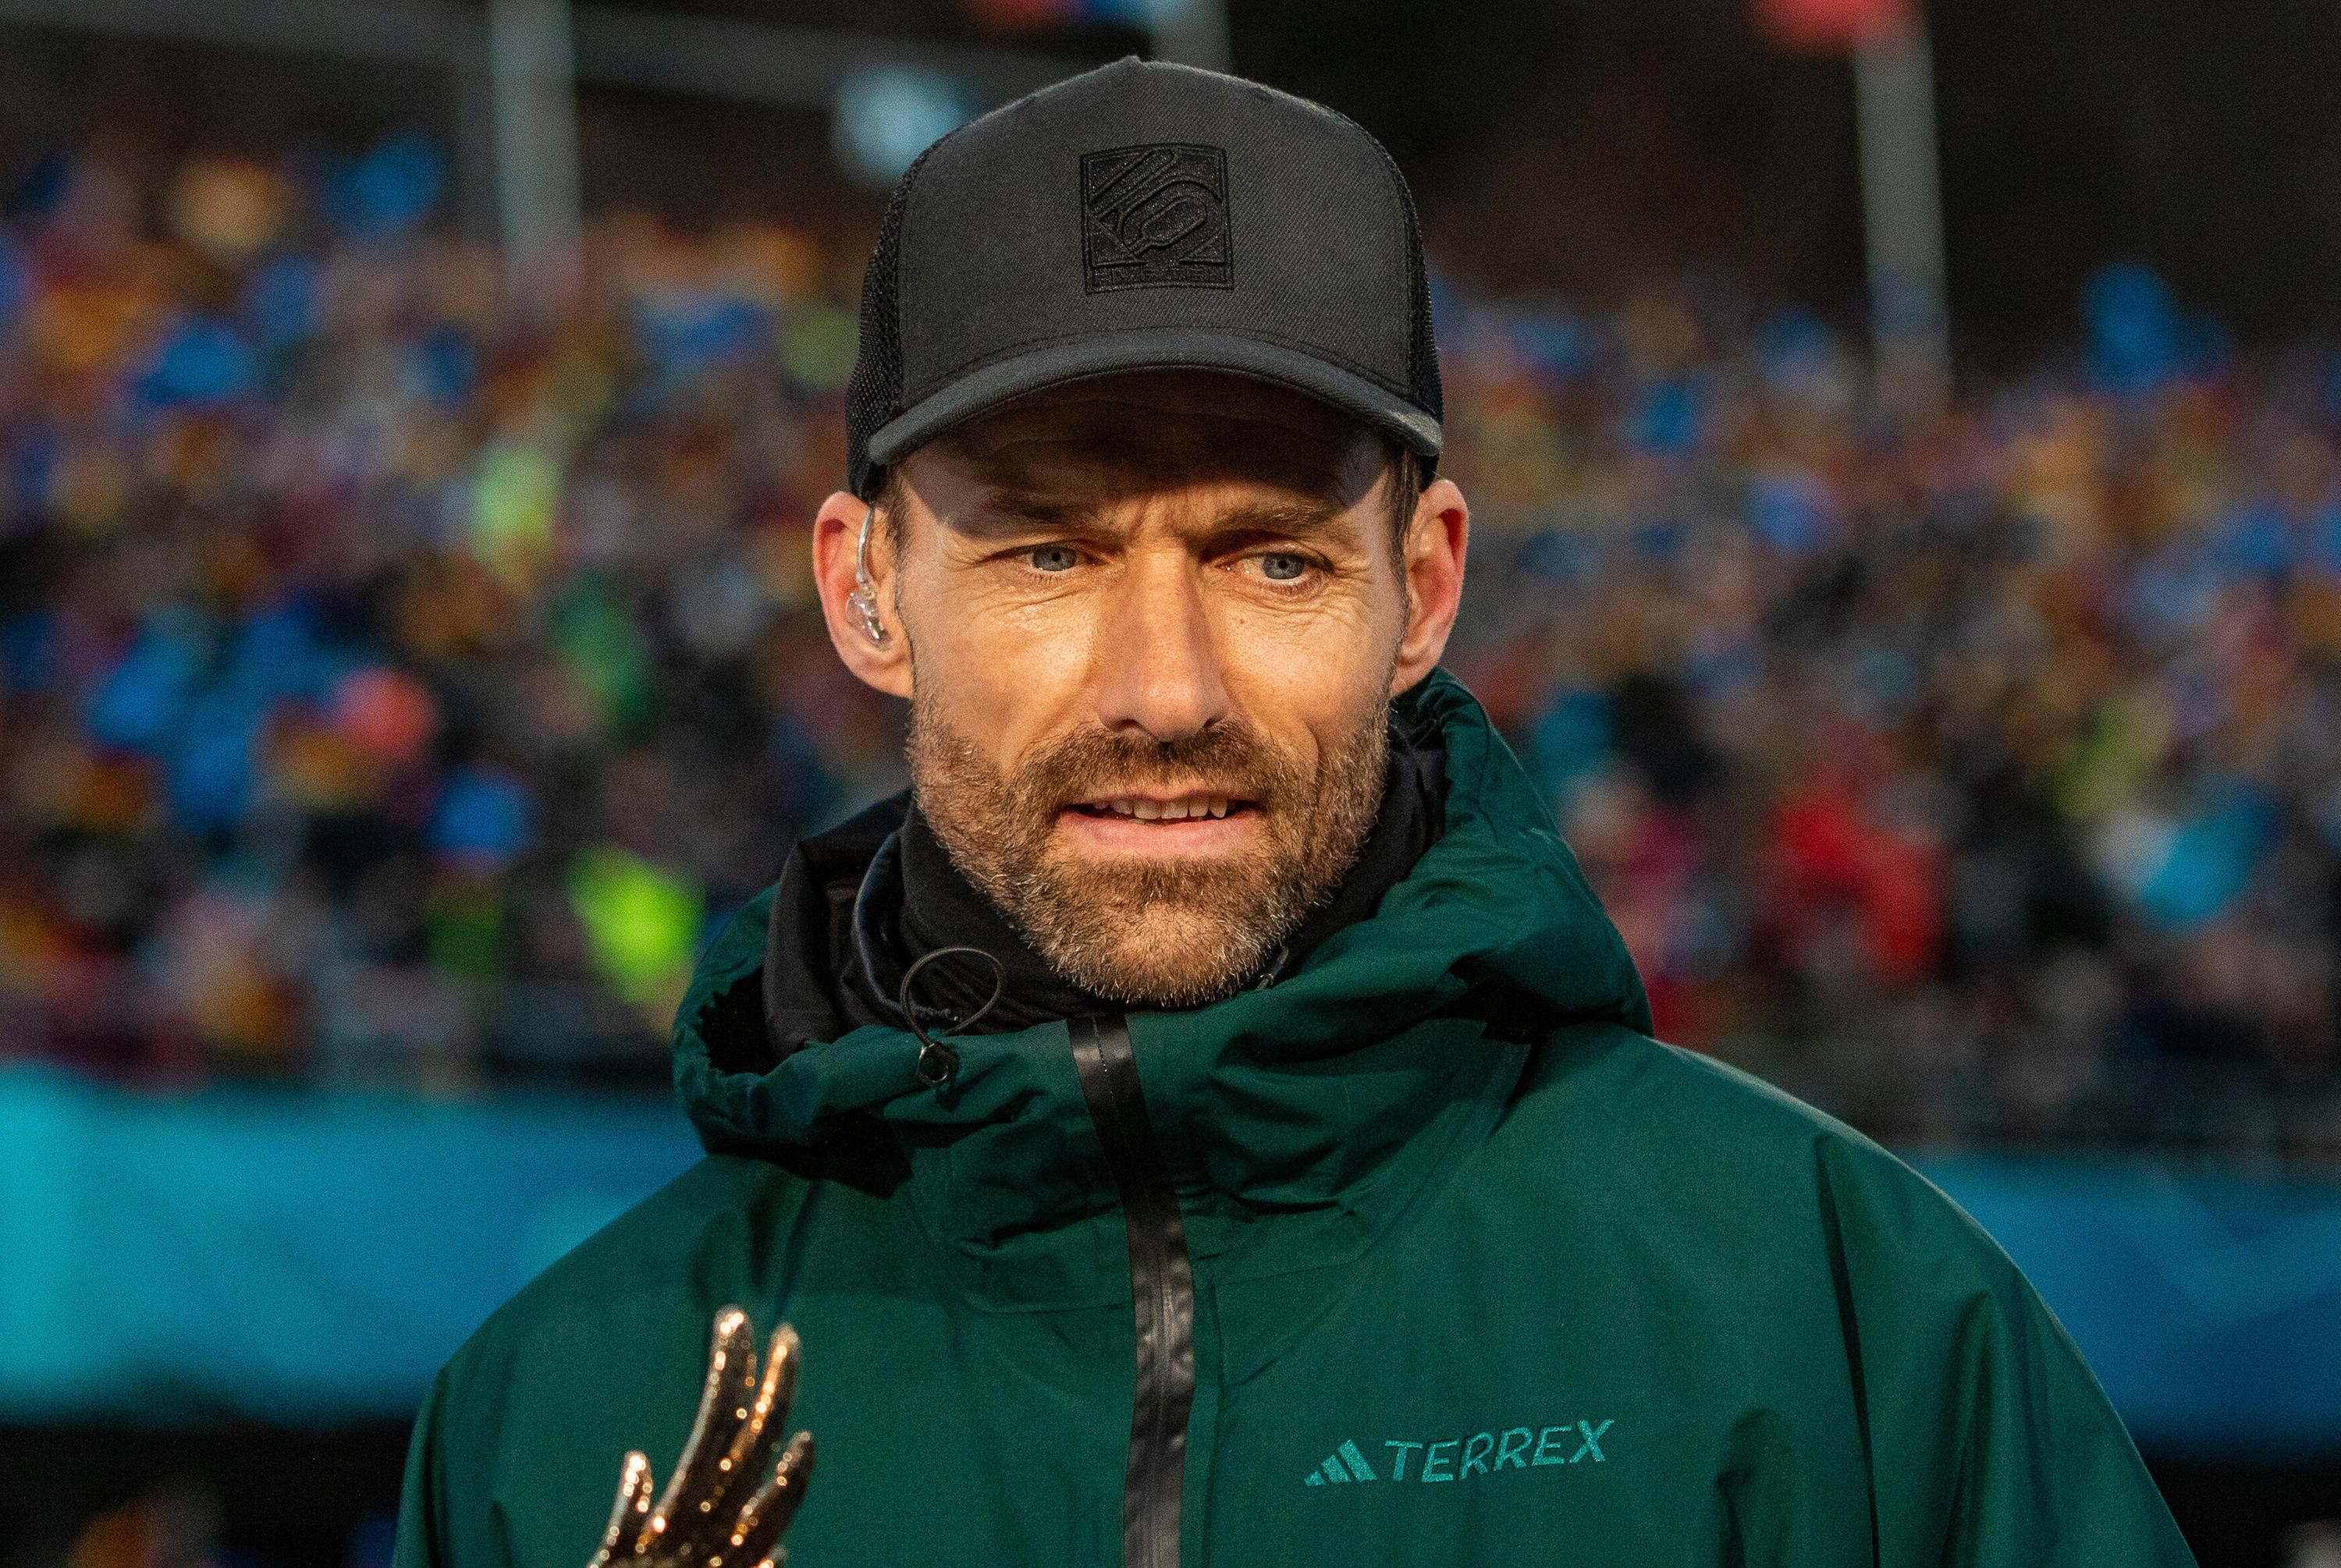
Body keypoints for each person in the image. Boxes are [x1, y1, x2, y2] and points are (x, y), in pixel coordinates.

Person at [393, 57, 2197, 1568]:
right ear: (866, 593)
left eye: (1272, 558)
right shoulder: (560, 1426)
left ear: (1425, 587)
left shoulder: (1840, 1323)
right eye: (1048, 552)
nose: (1165, 688)